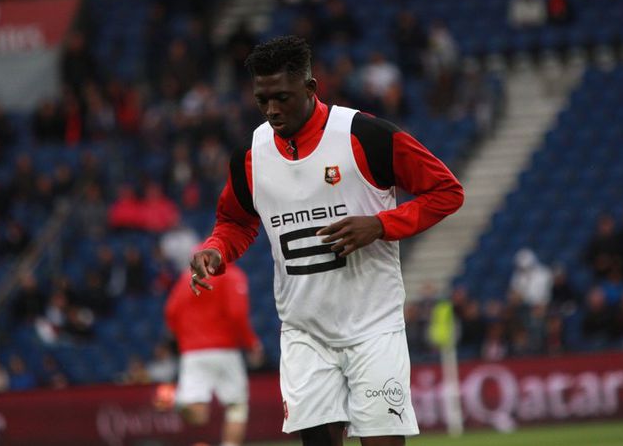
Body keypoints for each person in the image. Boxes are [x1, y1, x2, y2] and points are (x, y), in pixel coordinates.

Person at [188, 36, 464, 445]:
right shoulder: (250, 155)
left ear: (311, 88)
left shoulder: (364, 135)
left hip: (373, 326)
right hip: (304, 331)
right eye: (262, 99)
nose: (271, 110)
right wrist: (216, 249)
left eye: (282, 97)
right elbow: (234, 219)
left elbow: (446, 191)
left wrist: (381, 224)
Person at [165, 260, 263, 446]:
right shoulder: (232, 274)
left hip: (192, 353)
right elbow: (237, 314)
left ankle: (178, 399)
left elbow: (170, 312)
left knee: (198, 414)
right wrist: (251, 343)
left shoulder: (186, 278)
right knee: (236, 406)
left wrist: (186, 338)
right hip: (224, 350)